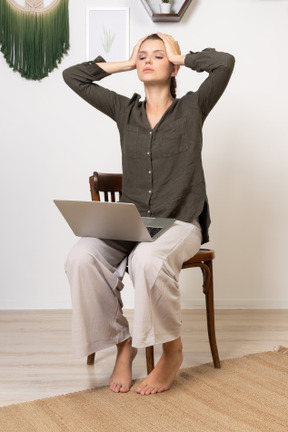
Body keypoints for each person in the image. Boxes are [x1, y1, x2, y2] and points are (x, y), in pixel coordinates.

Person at [63, 33, 235, 396]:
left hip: (180, 224)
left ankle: (172, 353)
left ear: (172, 66)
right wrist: (127, 63)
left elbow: (225, 63)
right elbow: (73, 76)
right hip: (133, 223)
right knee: (81, 256)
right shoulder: (124, 111)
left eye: (158, 56)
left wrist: (181, 55)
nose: (147, 60)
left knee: (147, 260)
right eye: (142, 55)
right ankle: (123, 343)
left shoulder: (193, 107)